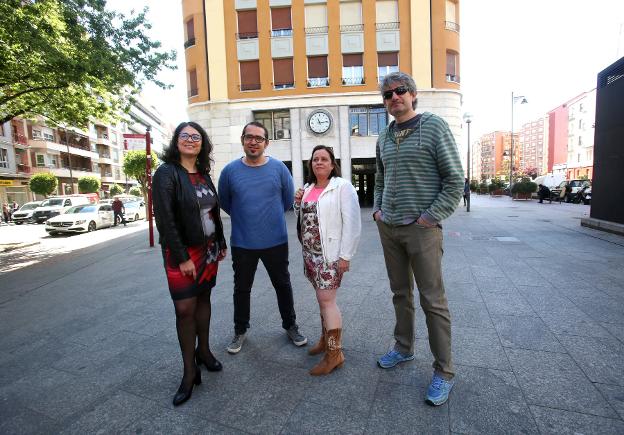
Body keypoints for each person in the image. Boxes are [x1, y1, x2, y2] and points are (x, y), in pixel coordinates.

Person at [373, 72, 464, 406]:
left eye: (400, 91)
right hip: (390, 228)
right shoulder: (383, 136)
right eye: (387, 94)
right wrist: (378, 210)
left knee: (433, 301)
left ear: (413, 95)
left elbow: (455, 180)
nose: (394, 97)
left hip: (422, 229)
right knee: (400, 293)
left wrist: (429, 217)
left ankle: (444, 371)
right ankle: (403, 348)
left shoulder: (434, 126)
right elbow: (380, 177)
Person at [153, 121, 227, 407]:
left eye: (196, 137)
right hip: (182, 253)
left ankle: (204, 352)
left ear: (202, 143)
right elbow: (165, 220)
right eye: (185, 136)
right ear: (176, 141)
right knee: (185, 309)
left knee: (204, 298)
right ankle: (188, 372)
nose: (190, 140)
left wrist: (220, 242)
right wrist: (182, 257)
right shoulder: (167, 174)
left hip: (209, 249)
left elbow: (213, 213)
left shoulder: (204, 175)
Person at [218, 121, 307, 354]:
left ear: (266, 143)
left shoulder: (279, 169)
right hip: (242, 242)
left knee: (283, 285)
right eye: (249, 137)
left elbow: (287, 201)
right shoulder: (229, 171)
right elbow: (225, 203)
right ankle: (240, 330)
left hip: (275, 240)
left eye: (259, 138)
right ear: (242, 140)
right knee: (241, 289)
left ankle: (290, 325)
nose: (253, 142)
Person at [294, 145, 361, 376]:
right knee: (322, 300)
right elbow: (304, 218)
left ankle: (334, 354)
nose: (319, 162)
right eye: (315, 159)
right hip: (310, 255)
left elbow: (353, 223)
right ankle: (325, 339)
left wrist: (346, 256)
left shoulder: (342, 187)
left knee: (327, 301)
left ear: (332, 164)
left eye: (324, 159)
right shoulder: (308, 187)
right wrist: (297, 201)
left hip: (330, 256)